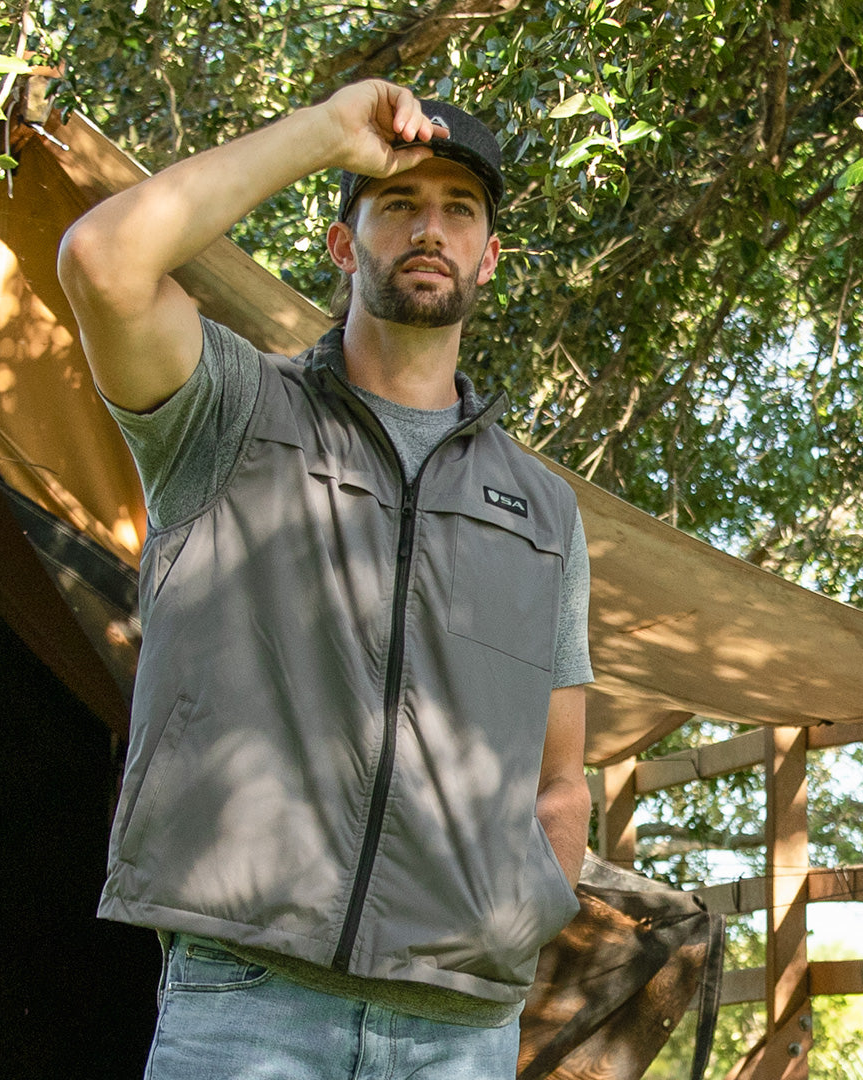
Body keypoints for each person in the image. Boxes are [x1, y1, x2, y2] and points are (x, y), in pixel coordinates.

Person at [58, 79, 594, 1080]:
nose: (429, 228)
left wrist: (518, 923)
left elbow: (560, 779)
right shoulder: (228, 414)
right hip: (248, 1007)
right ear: (345, 247)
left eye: (458, 211)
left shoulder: (546, 511)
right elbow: (104, 262)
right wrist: (322, 136)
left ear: (490, 256)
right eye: (397, 203)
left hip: (459, 1028)